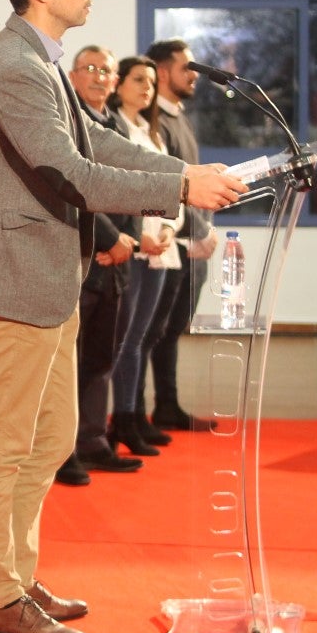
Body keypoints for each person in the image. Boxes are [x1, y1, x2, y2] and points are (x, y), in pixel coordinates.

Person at [0, 0, 246, 633]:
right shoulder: (15, 65)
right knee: (3, 446)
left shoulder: (39, 60)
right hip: (20, 279)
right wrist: (180, 182)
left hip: (47, 276)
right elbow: (72, 173)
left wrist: (178, 179)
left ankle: (16, 578)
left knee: (50, 437)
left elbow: (97, 144)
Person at [54, 45, 145, 487]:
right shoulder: (68, 125)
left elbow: (129, 185)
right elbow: (75, 184)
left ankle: (93, 441)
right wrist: (109, 239)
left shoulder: (118, 128)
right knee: (69, 361)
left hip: (119, 263)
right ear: (72, 77)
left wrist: (130, 240)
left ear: (113, 80)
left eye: (104, 70)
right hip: (81, 259)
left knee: (102, 360)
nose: (96, 76)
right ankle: (63, 449)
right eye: (88, 68)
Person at [139, 39, 222, 432]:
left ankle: (168, 405)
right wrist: (193, 233)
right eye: (185, 66)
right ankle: (140, 411)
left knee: (171, 329)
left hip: (191, 243)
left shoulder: (180, 117)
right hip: (173, 244)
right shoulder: (155, 123)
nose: (193, 74)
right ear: (162, 70)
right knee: (153, 331)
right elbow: (165, 187)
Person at [109, 56, 184, 456]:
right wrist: (139, 235)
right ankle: (122, 417)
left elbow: (175, 184)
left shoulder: (151, 131)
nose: (146, 88)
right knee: (126, 341)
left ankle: (135, 413)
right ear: (119, 84)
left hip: (160, 247)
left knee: (142, 338)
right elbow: (120, 188)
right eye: (138, 80)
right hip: (135, 248)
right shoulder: (116, 128)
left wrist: (173, 225)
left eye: (152, 82)